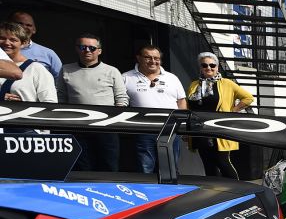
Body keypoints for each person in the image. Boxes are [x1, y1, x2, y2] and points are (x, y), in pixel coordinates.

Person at [57, 34, 128, 171]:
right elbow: (60, 97)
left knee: (109, 166)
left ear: (99, 51)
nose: (87, 51)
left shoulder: (112, 71)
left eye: (92, 48)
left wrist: (115, 122)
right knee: (82, 167)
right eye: (83, 47)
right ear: (77, 49)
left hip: (106, 127)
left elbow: (121, 99)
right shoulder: (66, 69)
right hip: (77, 127)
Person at [185, 52, 253, 178]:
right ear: (200, 68)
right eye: (204, 65)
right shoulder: (194, 85)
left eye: (212, 65)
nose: (208, 68)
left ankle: (238, 190)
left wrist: (233, 110)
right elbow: (189, 106)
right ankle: (215, 193)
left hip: (218, 130)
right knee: (208, 165)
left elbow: (248, 98)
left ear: (217, 67)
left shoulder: (226, 83)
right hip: (199, 130)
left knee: (223, 162)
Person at [122, 45, 187, 173]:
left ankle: (171, 193)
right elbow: (120, 103)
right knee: (145, 168)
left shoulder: (172, 78)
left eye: (156, 58)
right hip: (143, 130)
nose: (153, 61)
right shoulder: (126, 77)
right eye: (148, 57)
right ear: (138, 58)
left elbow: (181, 101)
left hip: (170, 129)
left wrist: (182, 126)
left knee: (171, 168)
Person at [0, 22, 56, 102]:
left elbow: (50, 102)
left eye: (13, 40)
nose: (6, 43)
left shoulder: (36, 69)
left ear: (23, 43)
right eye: (2, 38)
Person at [6, 11, 62, 77]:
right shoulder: (2, 49)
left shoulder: (48, 53)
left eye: (28, 25)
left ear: (34, 30)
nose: (23, 27)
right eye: (19, 23)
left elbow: (59, 80)